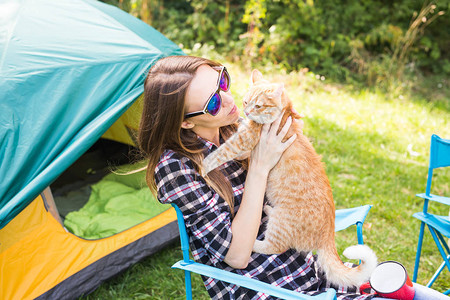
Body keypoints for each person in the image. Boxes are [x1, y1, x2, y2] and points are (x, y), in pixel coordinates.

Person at [137, 55, 449, 300]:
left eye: (223, 82)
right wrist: (259, 168)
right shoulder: (176, 168)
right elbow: (236, 257)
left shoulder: (232, 128)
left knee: (415, 293)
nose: (230, 100)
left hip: (304, 267)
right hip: (267, 287)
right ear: (187, 124)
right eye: (213, 103)